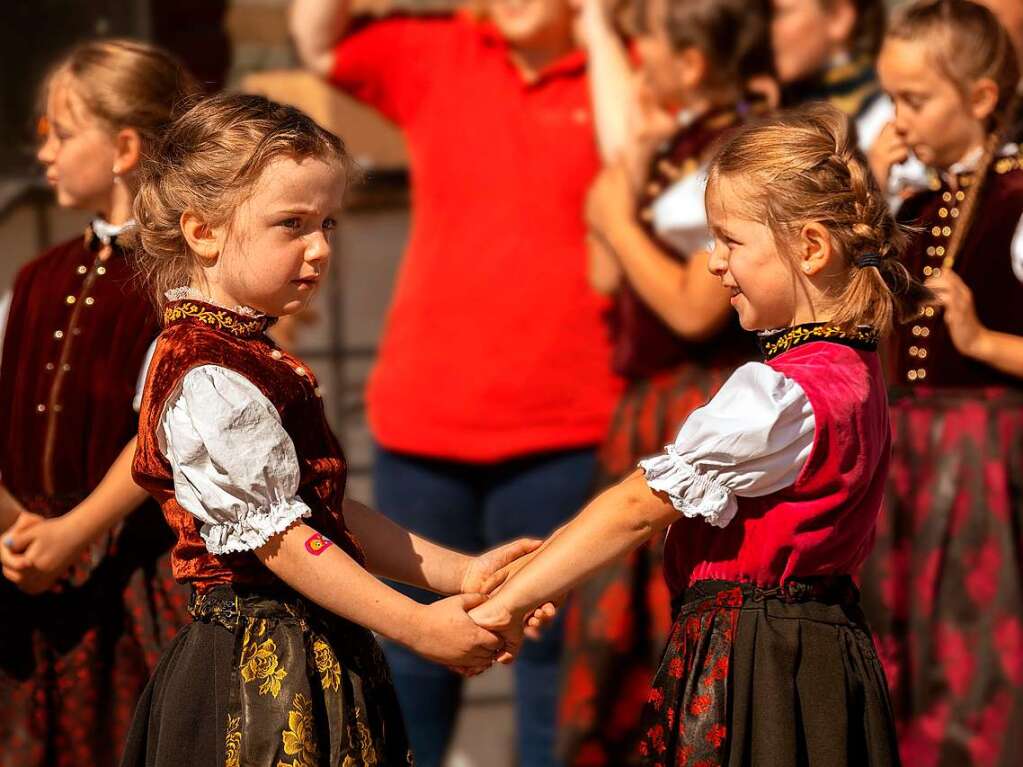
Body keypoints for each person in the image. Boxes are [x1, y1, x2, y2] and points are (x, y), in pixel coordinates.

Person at [471, 102, 925, 766]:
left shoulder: (774, 395)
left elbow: (636, 507)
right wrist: (536, 570)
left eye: (730, 240)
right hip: (818, 655)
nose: (713, 263)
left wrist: (510, 602)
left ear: (809, 246)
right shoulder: (852, 370)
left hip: (754, 662)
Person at [119, 92, 552, 767]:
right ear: (202, 231)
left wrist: (461, 575)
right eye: (291, 224)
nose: (319, 248)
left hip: (311, 651)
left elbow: (321, 516)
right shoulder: (207, 375)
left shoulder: (252, 358)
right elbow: (282, 542)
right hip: (253, 675)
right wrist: (418, 627)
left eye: (328, 223)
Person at [288, 2, 621, 764]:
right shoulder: (438, 50)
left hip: (566, 429)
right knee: (407, 673)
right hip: (424, 425)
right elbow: (315, 37)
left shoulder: (620, 67)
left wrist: (602, 31)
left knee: (551, 673)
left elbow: (633, 162)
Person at [558, 0, 771, 763]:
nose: (634, 57)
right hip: (647, 407)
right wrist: (632, 172)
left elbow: (689, 305)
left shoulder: (735, 152)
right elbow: (602, 273)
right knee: (624, 639)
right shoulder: (675, 145)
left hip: (705, 403)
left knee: (681, 621)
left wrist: (615, 216)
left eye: (643, 43)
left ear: (690, 63)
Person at [0, 40, 199, 767]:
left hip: (131, 582)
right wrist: (25, 530)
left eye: (58, 130)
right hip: (25, 572)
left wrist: (73, 533)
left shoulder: (177, 275)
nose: (42, 150)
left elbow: (167, 426)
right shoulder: (35, 276)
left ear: (122, 146)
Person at [858, 2, 1023, 764]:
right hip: (910, 453)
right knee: (901, 647)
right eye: (890, 98)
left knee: (975, 648)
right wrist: (873, 204)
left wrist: (982, 341)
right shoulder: (915, 205)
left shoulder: (1017, 198)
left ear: (981, 98)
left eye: (914, 100)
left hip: (989, 457)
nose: (899, 119)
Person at [771, 0, 889, 149]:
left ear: (838, 16)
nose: (767, 29)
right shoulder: (769, 106)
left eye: (781, 13)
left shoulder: (889, 118)